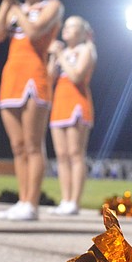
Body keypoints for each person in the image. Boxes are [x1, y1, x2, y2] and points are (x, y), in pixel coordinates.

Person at [0, 0, 64, 221]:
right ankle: (22, 200)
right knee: (18, 145)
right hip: (12, 75)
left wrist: (15, 6)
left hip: (35, 76)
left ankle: (32, 203)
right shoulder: (14, 8)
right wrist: (6, 3)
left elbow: (34, 32)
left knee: (33, 145)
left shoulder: (53, 6)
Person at [47, 16, 96, 216]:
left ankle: (74, 201)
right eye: (65, 26)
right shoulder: (62, 52)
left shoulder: (87, 49)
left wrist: (61, 55)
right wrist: (53, 56)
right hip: (60, 101)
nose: (66, 29)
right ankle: (65, 199)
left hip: (77, 101)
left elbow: (76, 76)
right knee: (61, 155)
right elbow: (49, 78)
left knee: (75, 154)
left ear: (83, 32)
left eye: (72, 26)